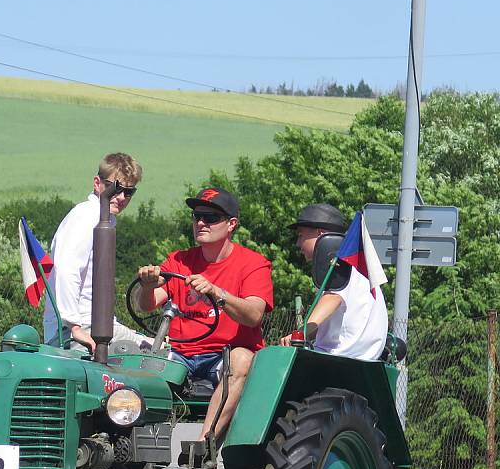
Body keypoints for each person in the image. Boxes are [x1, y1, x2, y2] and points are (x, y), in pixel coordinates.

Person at [138, 187, 274, 442]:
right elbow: (148, 304)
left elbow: (254, 315)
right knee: (134, 363)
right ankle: (135, 448)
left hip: (223, 356)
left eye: (210, 218)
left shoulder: (253, 264)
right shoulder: (178, 261)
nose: (201, 223)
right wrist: (146, 286)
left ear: (231, 224)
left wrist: (218, 293)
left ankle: (203, 444)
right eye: (197, 216)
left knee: (243, 360)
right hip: (180, 355)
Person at [43, 152, 150, 352]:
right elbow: (66, 269)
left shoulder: (105, 218)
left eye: (128, 192)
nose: (120, 197)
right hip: (77, 328)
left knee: (159, 349)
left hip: (97, 324)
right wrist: (74, 327)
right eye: (114, 189)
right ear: (96, 183)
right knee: (163, 357)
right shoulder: (85, 216)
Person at [280, 203, 388, 359]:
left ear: (320, 233)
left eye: (301, 235)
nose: (298, 244)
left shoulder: (341, 266)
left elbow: (333, 298)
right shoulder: (358, 268)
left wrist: (299, 335)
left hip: (339, 358)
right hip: (362, 359)